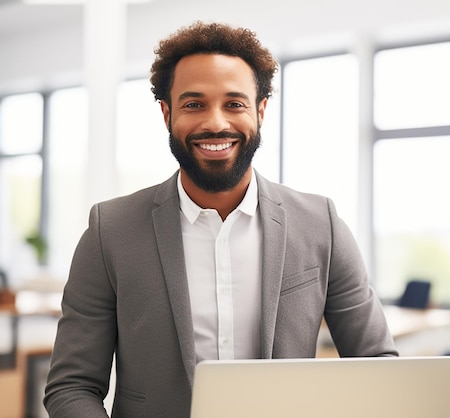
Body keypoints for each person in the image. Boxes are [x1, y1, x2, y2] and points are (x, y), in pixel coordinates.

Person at [44, 21, 397, 418]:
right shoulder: (110, 231)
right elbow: (72, 387)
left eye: (235, 103)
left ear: (260, 110)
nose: (216, 123)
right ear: (167, 114)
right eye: (194, 104)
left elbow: (378, 367)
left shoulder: (321, 224)